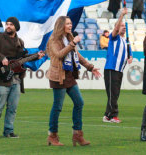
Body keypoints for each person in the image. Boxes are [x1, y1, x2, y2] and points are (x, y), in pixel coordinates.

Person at [45, 16, 101, 146]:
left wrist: (90, 67)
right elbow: (59, 54)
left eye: (71, 23)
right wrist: (72, 44)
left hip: (69, 76)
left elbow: (77, 55)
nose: (70, 25)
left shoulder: (69, 37)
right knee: (57, 107)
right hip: (58, 77)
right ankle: (52, 136)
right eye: (68, 24)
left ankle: (77, 134)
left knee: (79, 102)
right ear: (61, 26)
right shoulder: (54, 39)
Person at [0, 17, 45, 138]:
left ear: (16, 27)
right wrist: (1, 57)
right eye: (7, 24)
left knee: (13, 107)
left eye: (11, 24)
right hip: (1, 76)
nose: (8, 26)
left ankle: (9, 130)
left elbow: (22, 58)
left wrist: (36, 56)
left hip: (16, 79)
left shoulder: (20, 42)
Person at [102, 8, 133, 123]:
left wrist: (130, 57)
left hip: (119, 70)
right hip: (111, 68)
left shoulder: (126, 42)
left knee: (114, 94)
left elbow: (129, 54)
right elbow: (115, 29)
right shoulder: (114, 37)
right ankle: (113, 115)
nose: (123, 27)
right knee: (113, 93)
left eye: (125, 26)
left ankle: (107, 115)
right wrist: (121, 15)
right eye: (121, 26)